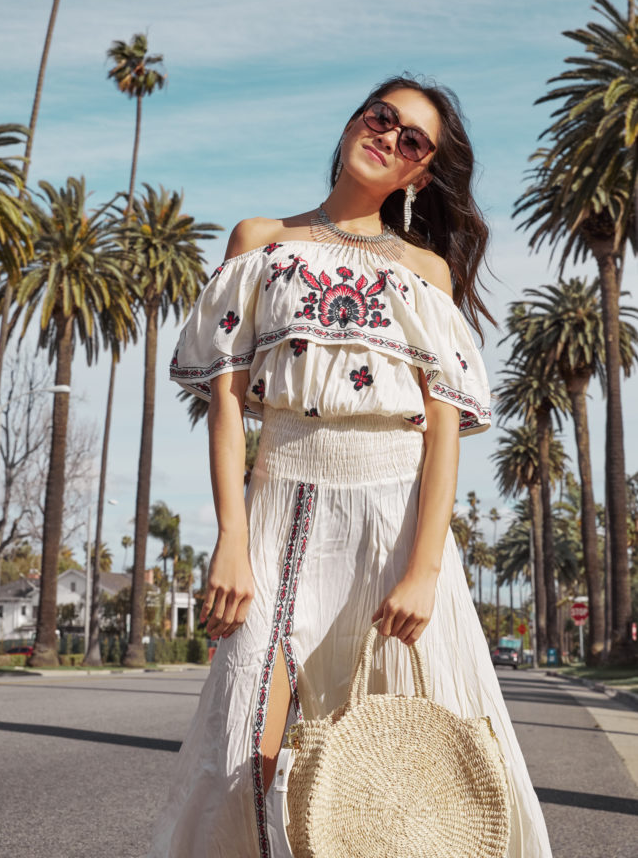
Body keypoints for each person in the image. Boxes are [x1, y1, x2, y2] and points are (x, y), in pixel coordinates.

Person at [148, 75, 553, 858]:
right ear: (353, 120)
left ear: (420, 174)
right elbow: (226, 402)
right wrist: (231, 536)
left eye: (412, 141)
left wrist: (423, 569)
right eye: (381, 118)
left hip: (392, 512)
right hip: (278, 503)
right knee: (243, 744)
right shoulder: (260, 242)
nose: (389, 138)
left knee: (400, 758)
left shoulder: (424, 272)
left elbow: (442, 434)